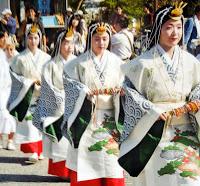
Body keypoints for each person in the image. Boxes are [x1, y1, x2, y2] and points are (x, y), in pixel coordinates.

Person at [119, 2, 200, 186]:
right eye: (169, 27)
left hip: (186, 130)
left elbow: (198, 87)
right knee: (161, 179)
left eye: (179, 27)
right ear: (159, 29)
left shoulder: (191, 61)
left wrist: (196, 100)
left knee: (190, 179)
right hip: (155, 131)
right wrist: (150, 110)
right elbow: (130, 94)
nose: (175, 33)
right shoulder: (142, 63)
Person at [61, 21, 125, 186]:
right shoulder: (77, 64)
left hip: (111, 119)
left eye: (105, 39)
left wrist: (122, 92)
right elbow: (69, 85)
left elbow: (127, 86)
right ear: (90, 39)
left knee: (112, 164)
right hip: (85, 118)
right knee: (86, 165)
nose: (101, 43)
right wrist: (83, 91)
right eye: (97, 39)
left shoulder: (118, 62)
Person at [32, 27, 76, 179]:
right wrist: (64, 99)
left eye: (71, 43)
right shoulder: (50, 65)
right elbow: (47, 88)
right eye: (65, 43)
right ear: (58, 44)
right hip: (57, 109)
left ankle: (74, 172)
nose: (69, 47)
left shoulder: (79, 63)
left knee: (74, 143)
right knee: (61, 142)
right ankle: (62, 172)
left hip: (77, 108)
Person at [9, 23, 50, 162]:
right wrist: (28, 82)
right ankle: (33, 151)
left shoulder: (46, 57)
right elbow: (14, 76)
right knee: (29, 123)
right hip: (27, 95)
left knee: (41, 124)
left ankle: (40, 150)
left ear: (40, 39)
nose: (33, 41)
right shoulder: (19, 58)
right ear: (26, 39)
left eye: (36, 38)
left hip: (42, 94)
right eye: (30, 38)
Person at [0, 30, 16, 150]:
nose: (6, 39)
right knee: (2, 114)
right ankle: (1, 140)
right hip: (2, 91)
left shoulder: (16, 56)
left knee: (10, 115)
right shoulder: (1, 54)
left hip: (12, 91)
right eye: (4, 37)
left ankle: (10, 140)